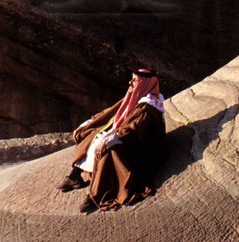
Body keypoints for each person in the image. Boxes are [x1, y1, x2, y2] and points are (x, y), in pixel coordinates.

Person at [59, 67, 166, 213]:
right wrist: (87, 124)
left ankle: (96, 195)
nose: (130, 82)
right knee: (91, 135)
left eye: (134, 80)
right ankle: (75, 176)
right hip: (122, 133)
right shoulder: (134, 95)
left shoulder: (149, 107)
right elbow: (111, 112)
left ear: (144, 83)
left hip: (137, 145)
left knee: (109, 151)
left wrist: (111, 139)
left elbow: (134, 129)